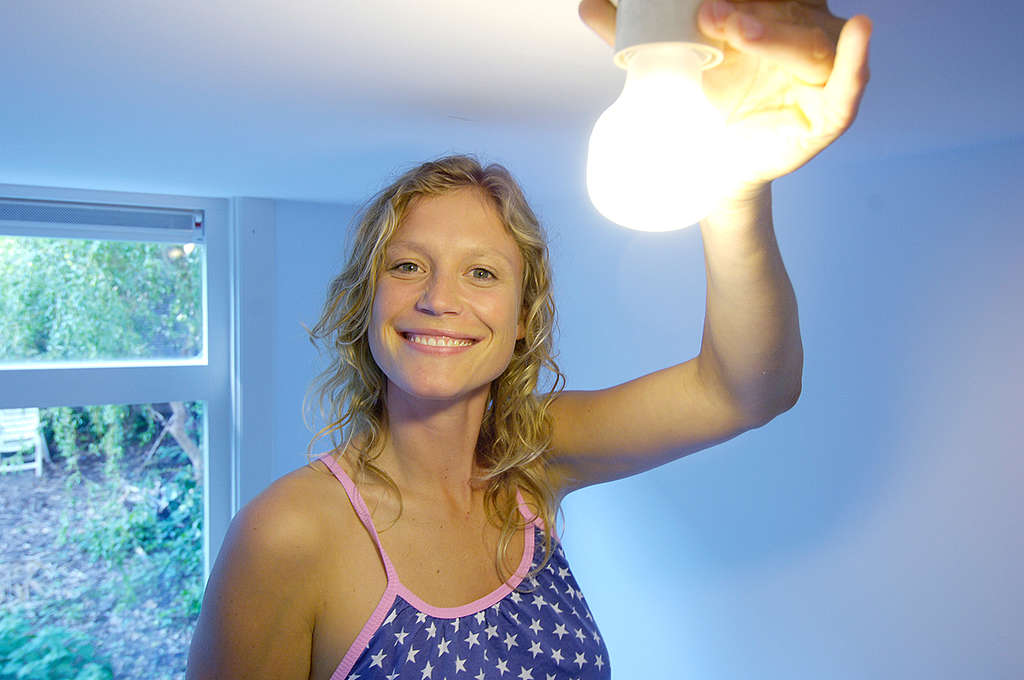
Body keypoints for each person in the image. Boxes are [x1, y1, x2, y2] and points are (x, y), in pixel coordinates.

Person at [185, 1, 872, 677]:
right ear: (368, 300)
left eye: (480, 272)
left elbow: (749, 390)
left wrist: (734, 190)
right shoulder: (288, 534)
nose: (437, 298)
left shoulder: (533, 460)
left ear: (521, 323)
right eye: (407, 266)